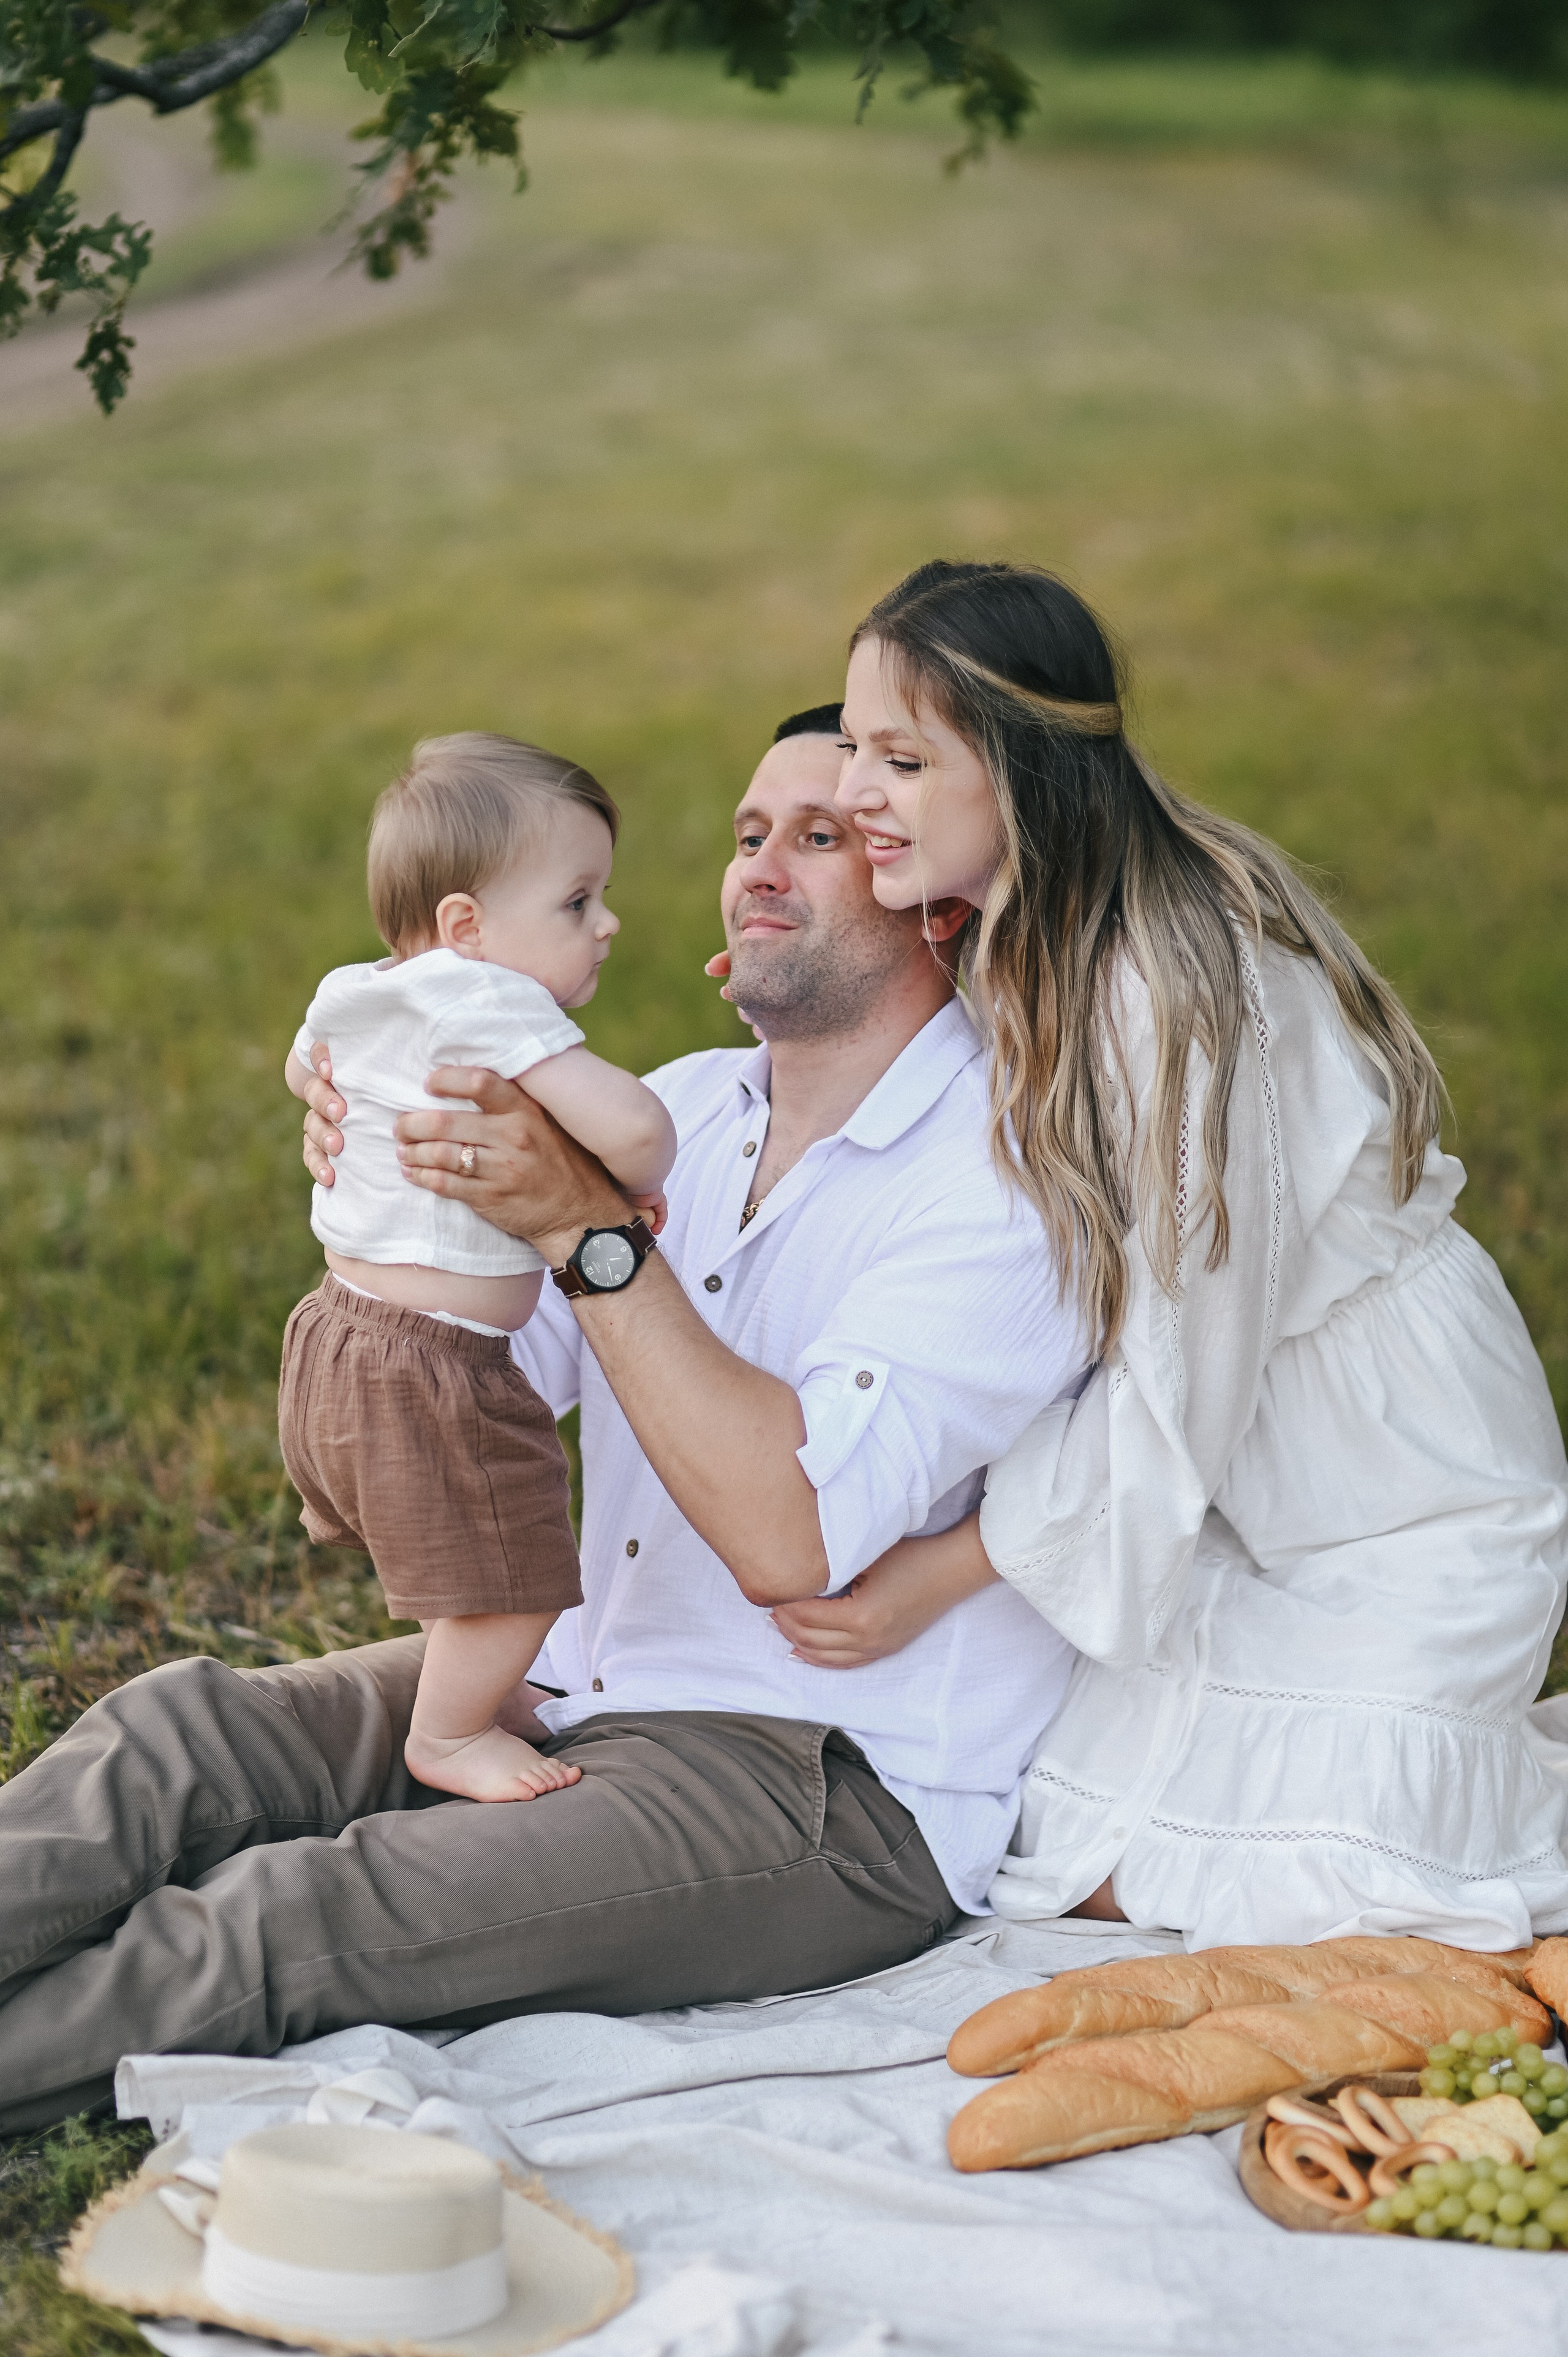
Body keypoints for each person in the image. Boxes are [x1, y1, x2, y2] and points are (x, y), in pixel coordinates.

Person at [0, 707, 1083, 2134]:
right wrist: (392, 1170)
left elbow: (791, 1533)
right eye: (749, 833)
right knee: (175, 1738)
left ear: (938, 901)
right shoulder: (683, 1110)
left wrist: (588, 1229)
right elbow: (501, 1376)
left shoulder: (1006, 1175)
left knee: (297, 1915)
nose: (756, 866)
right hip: (576, 1677)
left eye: (820, 839)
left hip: (810, 1778)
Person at [802, 557, 1568, 1953]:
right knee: (1066, 1823)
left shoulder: (1169, 992)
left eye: (900, 759)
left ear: (1025, 770)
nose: (854, 791)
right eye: (853, 746)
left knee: (1329, 1887)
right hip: (1240, 1489)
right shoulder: (1030, 928)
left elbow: (1179, 1378)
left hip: (1403, 1486)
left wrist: (942, 1565)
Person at [281, 732, 677, 1805]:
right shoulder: (487, 999)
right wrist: (626, 1162)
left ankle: (487, 1696)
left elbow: (301, 1066)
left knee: (475, 1571)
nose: (608, 923)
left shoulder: (359, 987)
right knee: (522, 1574)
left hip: (328, 1341)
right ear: (466, 927)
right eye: (577, 901)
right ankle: (448, 1737)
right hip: (435, 1367)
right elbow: (637, 1130)